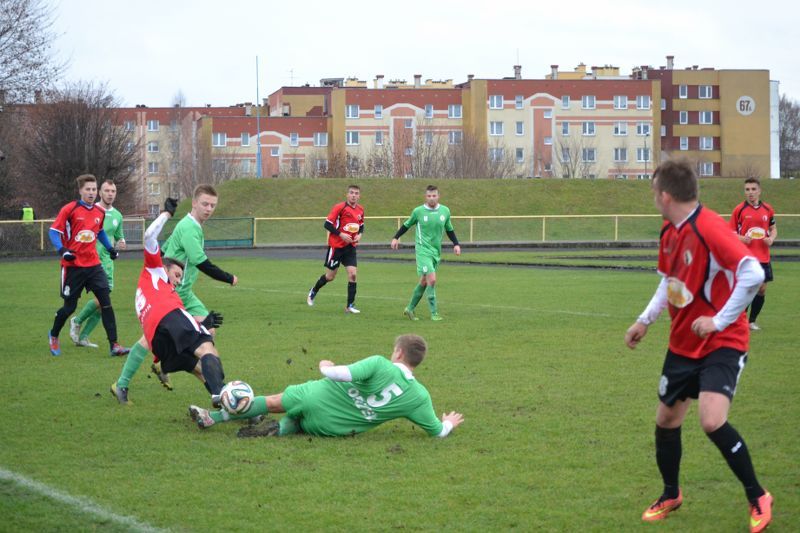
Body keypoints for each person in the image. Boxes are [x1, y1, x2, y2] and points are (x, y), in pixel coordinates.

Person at [624, 160, 772, 532]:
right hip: (683, 344)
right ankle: (671, 493)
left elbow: (752, 272)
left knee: (710, 419)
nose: (653, 197)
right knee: (666, 420)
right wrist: (645, 320)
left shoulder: (708, 227)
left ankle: (758, 495)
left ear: (666, 195)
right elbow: (667, 281)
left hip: (722, 341)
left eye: (654, 191)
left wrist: (719, 320)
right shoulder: (669, 230)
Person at [188, 334, 464, 439]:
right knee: (298, 421)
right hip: (334, 428)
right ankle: (284, 427)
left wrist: (325, 366)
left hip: (318, 396)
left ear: (399, 353)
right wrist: (449, 423)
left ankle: (214, 416)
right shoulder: (419, 397)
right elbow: (437, 432)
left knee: (275, 401)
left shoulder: (381, 364)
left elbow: (341, 374)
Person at [111, 198, 226, 405]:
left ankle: (227, 402)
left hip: (159, 343)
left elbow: (168, 329)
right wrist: (166, 214)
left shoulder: (143, 292)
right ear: (164, 268)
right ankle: (223, 396)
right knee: (207, 348)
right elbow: (149, 236)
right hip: (168, 316)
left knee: (198, 368)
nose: (177, 280)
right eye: (176, 274)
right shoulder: (154, 270)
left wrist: (201, 326)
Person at [157, 184, 237, 388]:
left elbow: (164, 251)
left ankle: (204, 371)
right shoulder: (189, 228)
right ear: (194, 203)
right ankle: (122, 384)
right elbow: (202, 263)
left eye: (212, 205)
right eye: (205, 204)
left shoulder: (190, 225)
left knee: (209, 330)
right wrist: (229, 278)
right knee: (147, 341)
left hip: (186, 293)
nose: (209, 209)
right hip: (172, 294)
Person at [47, 174, 128, 357]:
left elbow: (99, 233)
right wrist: (62, 250)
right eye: (88, 189)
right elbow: (53, 231)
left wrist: (110, 248)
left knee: (105, 302)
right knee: (69, 308)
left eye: (93, 189)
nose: (91, 193)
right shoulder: (70, 209)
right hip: (73, 265)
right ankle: (53, 335)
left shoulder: (100, 213)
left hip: (93, 265)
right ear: (80, 191)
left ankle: (114, 345)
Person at [69, 179, 128, 349]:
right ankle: (77, 321)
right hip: (91, 261)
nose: (110, 194)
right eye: (107, 191)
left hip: (108, 263)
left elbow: (118, 235)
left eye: (113, 191)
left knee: (103, 305)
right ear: (100, 193)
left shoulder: (118, 215)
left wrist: (121, 241)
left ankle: (84, 337)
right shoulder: (91, 210)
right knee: (102, 300)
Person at [390, 185, 461, 321]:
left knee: (424, 281)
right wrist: (395, 237)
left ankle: (409, 309)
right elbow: (406, 225)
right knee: (432, 279)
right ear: (425, 197)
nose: (432, 198)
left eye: (434, 195)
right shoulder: (418, 211)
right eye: (429, 196)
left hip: (436, 251)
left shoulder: (445, 211)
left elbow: (449, 229)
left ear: (438, 196)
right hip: (422, 250)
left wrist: (456, 244)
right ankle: (434, 313)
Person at [306, 185, 364, 313]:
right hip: (336, 247)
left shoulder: (360, 210)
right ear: (347, 194)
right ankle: (314, 290)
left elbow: (361, 226)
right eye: (351, 193)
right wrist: (341, 234)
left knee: (353, 274)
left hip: (350, 247)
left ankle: (349, 306)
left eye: (356, 193)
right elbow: (327, 224)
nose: (354, 195)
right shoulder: (339, 207)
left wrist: (359, 235)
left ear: (359, 196)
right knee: (330, 276)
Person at [729, 178, 777, 331]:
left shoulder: (768, 209)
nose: (750, 192)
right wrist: (741, 238)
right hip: (746, 257)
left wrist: (771, 238)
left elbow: (773, 228)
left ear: (759, 190)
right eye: (747, 189)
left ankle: (751, 322)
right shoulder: (739, 210)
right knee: (747, 289)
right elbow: (730, 233)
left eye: (753, 189)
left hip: (763, 257)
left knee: (761, 289)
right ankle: (740, 321)